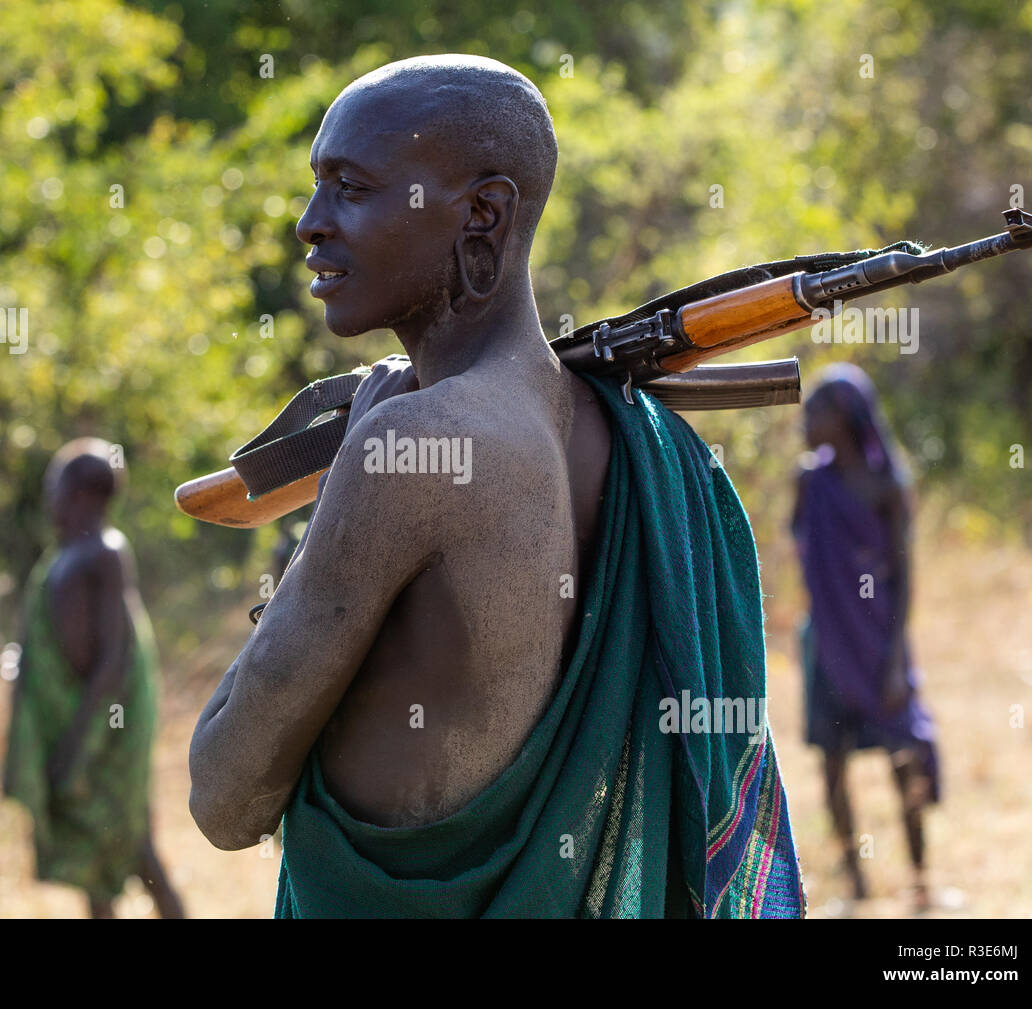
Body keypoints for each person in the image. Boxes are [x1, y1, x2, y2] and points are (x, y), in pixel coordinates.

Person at [189, 55, 803, 917]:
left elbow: (224, 794)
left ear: (483, 215)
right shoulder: (638, 436)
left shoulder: (407, 449)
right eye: (315, 187)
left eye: (350, 188)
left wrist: (345, 478)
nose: (308, 223)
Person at [3, 438, 184, 918]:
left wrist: (79, 741)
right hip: (78, 720)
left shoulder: (105, 551)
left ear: (81, 492)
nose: (49, 497)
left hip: (106, 727)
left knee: (134, 843)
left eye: (54, 485)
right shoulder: (60, 556)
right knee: (93, 851)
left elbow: (112, 659)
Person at [791, 363, 940, 911]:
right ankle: (854, 883)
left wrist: (897, 655)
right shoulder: (809, 480)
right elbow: (804, 554)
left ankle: (921, 879)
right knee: (831, 762)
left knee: (906, 754)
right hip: (826, 643)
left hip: (880, 642)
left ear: (846, 419)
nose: (804, 420)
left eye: (816, 411)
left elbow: (902, 576)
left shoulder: (887, 486)